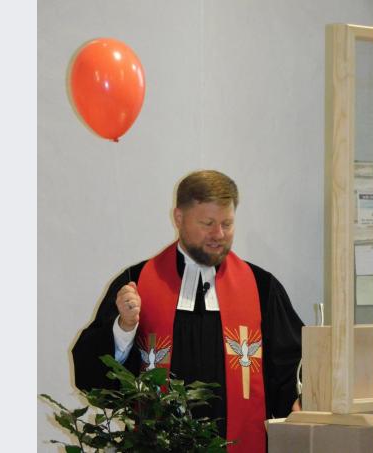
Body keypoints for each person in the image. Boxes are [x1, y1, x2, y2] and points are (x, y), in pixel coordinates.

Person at [72, 170, 303, 453]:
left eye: (227, 224)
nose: (219, 234)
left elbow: (291, 365)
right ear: (178, 218)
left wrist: (300, 400)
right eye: (207, 223)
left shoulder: (261, 287)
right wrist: (124, 329)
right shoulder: (137, 281)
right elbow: (92, 374)